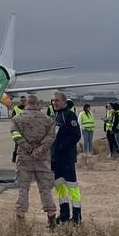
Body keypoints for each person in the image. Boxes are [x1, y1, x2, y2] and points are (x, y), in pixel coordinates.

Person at [13, 94, 57, 228]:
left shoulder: (17, 119)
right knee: (45, 189)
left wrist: (28, 148)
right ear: (38, 104)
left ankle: (20, 216)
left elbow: (15, 135)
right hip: (42, 159)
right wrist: (39, 150)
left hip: (24, 158)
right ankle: (51, 217)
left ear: (26, 103)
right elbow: (51, 137)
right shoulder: (48, 120)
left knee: (23, 188)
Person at [49, 91, 82, 223]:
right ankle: (64, 213)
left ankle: (77, 215)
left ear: (64, 101)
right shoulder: (55, 115)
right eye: (53, 100)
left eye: (57, 100)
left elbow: (76, 135)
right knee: (59, 186)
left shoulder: (70, 115)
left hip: (66, 158)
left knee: (72, 186)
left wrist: (62, 146)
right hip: (55, 159)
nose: (54, 103)